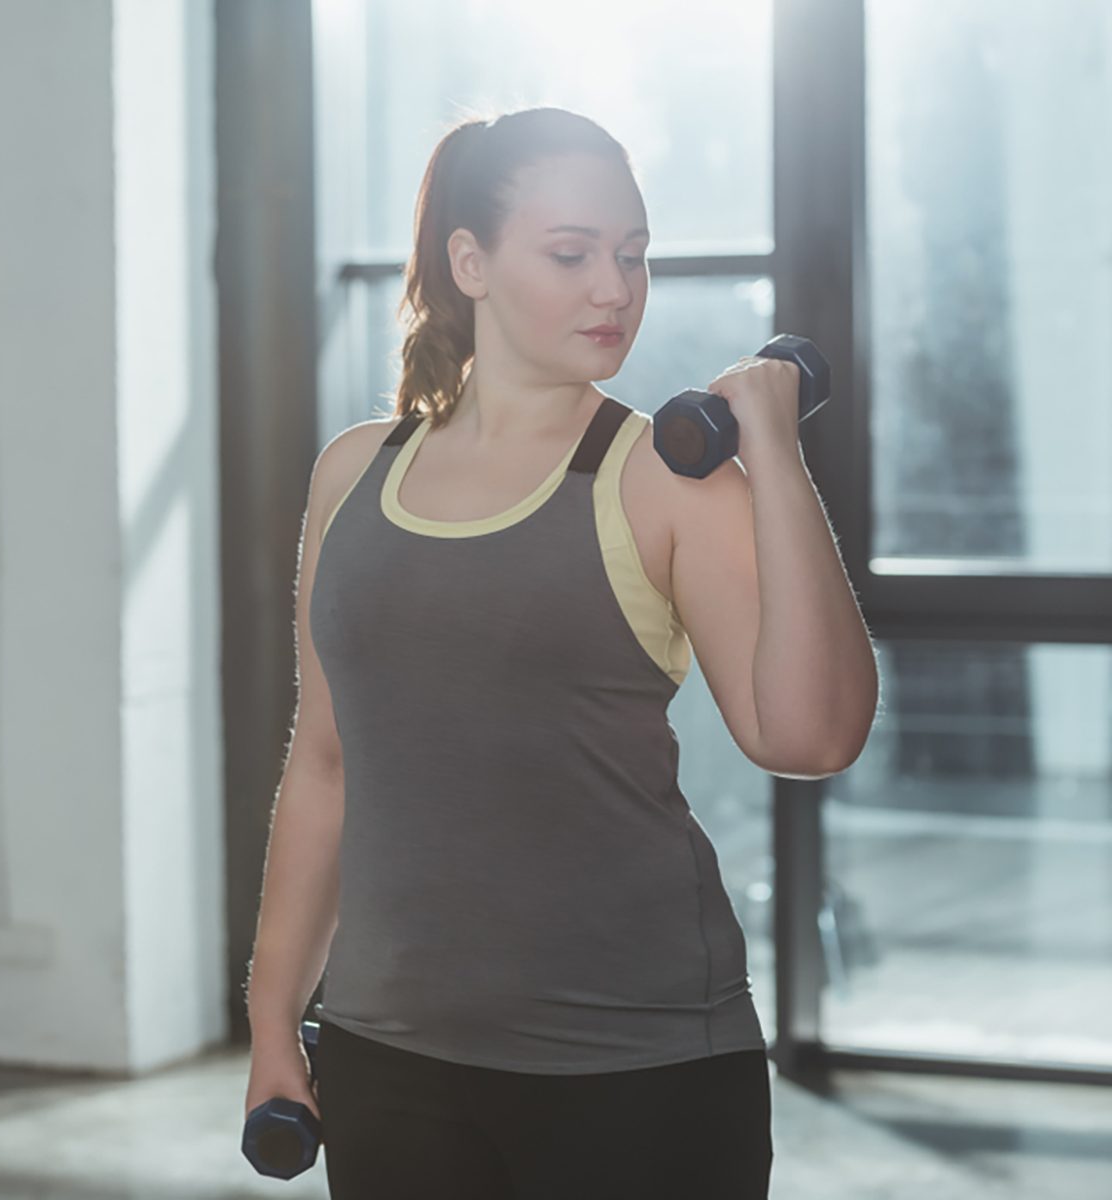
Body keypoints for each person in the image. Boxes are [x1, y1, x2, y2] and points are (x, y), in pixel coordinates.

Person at [244, 104, 875, 1199]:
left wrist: (773, 454)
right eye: (572, 254)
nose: (614, 288)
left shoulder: (663, 481)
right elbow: (327, 764)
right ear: (470, 262)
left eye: (632, 255)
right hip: (388, 1055)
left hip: (640, 1067)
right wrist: (269, 1022)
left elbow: (810, 733)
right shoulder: (354, 474)